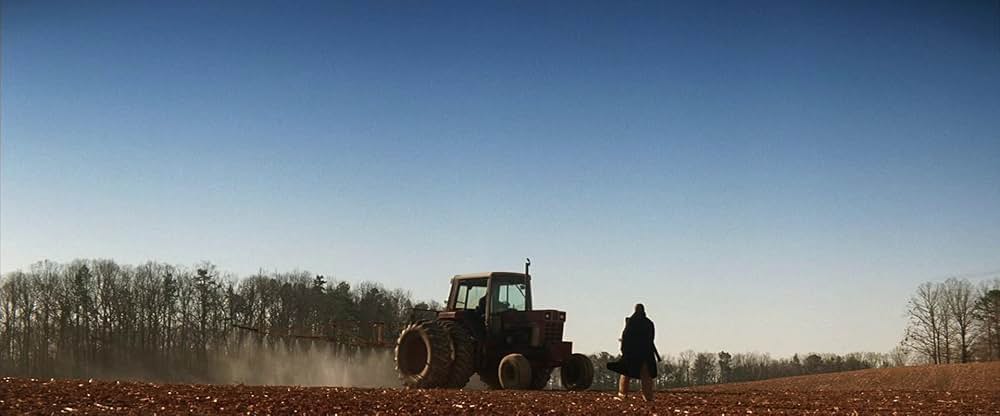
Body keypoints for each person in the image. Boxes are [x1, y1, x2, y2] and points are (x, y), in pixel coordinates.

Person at [607, 303, 658, 401]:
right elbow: (651, 338)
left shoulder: (631, 322)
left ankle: (622, 394)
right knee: (646, 375)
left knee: (625, 373)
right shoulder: (649, 323)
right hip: (646, 352)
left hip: (632, 353)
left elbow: (625, 336)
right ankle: (648, 397)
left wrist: (623, 350)